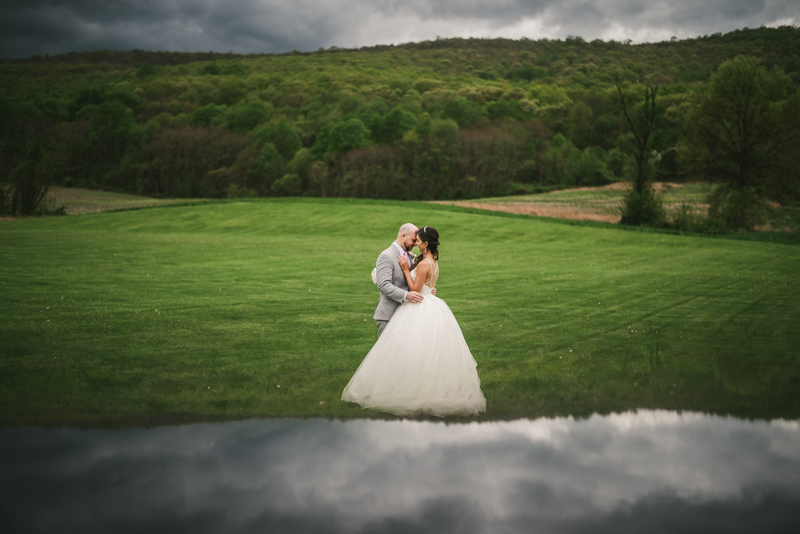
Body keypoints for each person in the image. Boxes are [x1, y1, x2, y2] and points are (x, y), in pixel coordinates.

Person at [342, 226, 486, 417]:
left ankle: (403, 393)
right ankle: (399, 390)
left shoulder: (419, 261)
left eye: (418, 241)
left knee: (409, 355)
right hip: (402, 310)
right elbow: (388, 285)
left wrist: (412, 278)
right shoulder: (398, 257)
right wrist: (422, 289)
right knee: (398, 357)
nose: (415, 243)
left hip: (414, 308)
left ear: (425, 244)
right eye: (414, 240)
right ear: (404, 236)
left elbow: (416, 288)